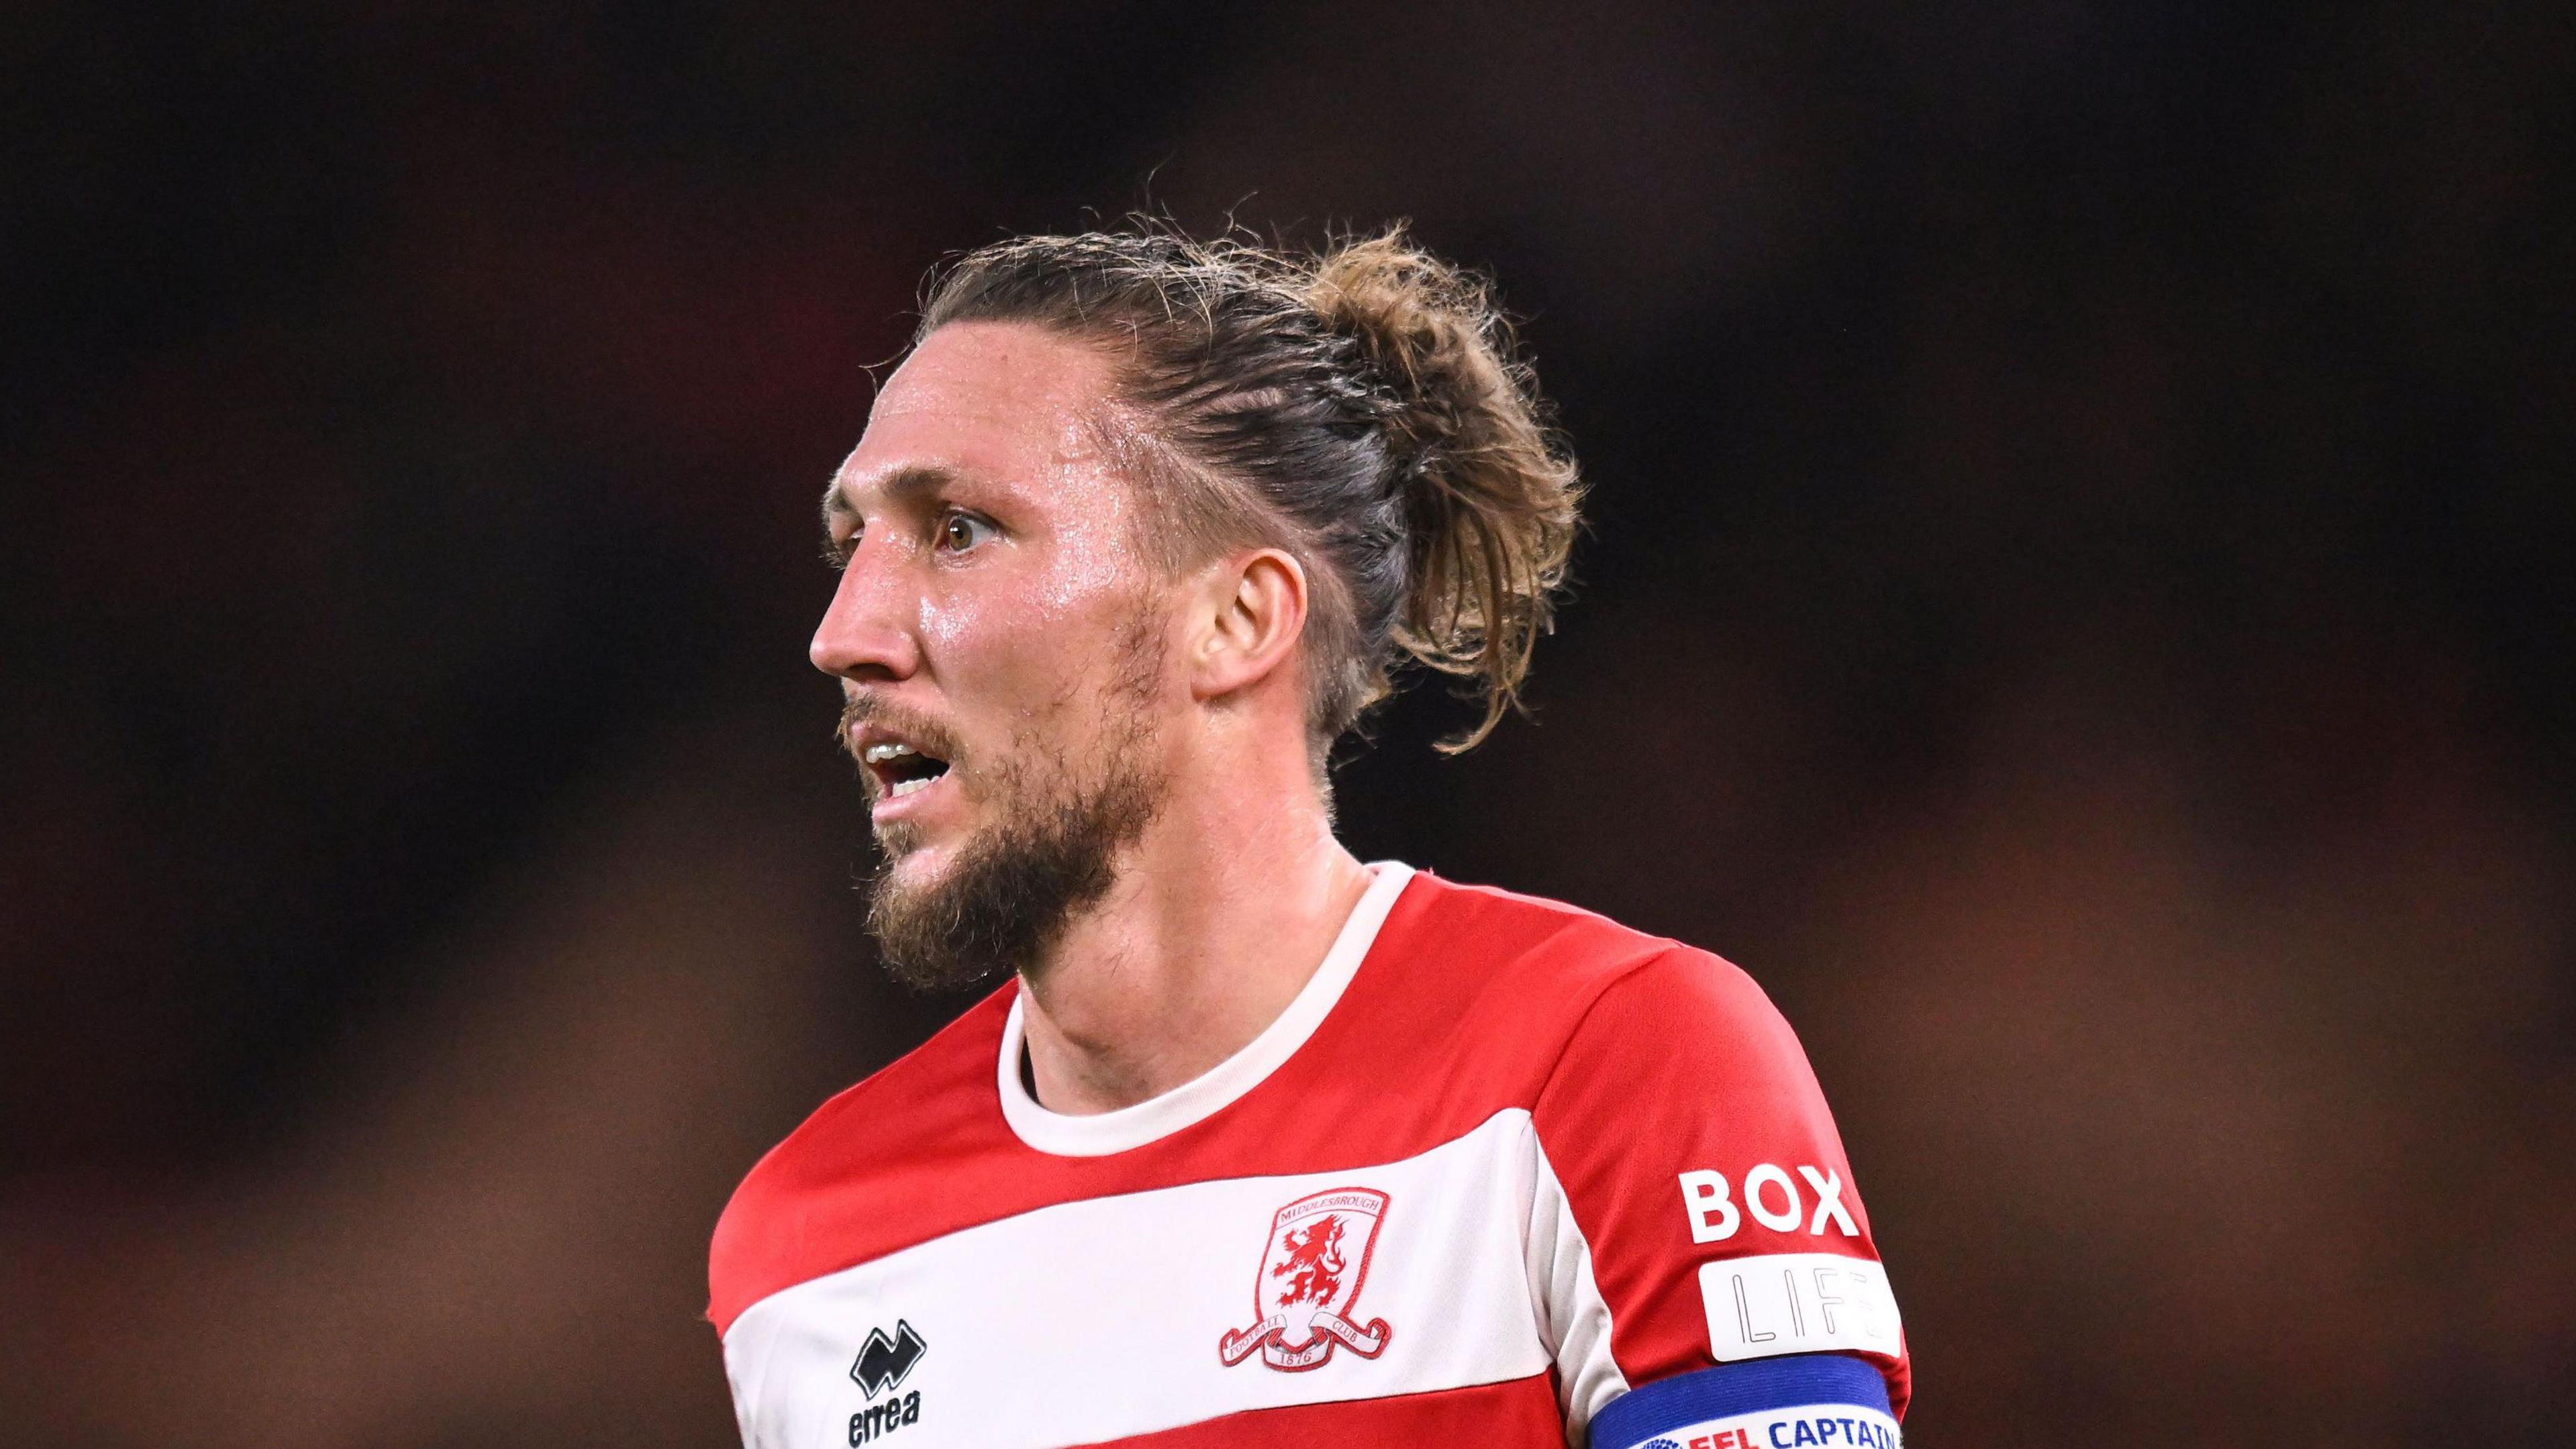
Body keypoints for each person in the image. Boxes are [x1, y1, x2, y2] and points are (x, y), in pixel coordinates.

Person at [707, 226, 1910, 1449]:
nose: (844, 629)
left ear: (1236, 620)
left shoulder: (1609, 1067)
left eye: (958, 529)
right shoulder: (806, 1250)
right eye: (850, 541)